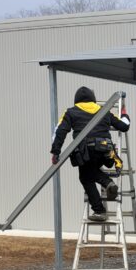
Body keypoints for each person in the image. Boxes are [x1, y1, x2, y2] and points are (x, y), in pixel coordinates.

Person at [50, 87, 130, 222]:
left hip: (86, 151)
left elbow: (60, 132)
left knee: (86, 178)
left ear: (76, 100)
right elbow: (124, 126)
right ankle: (107, 183)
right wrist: (124, 113)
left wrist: (55, 151)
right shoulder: (104, 111)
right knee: (91, 171)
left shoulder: (71, 112)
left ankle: (99, 210)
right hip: (106, 151)